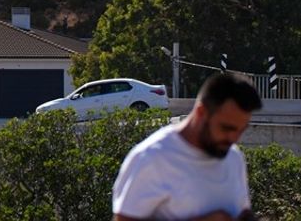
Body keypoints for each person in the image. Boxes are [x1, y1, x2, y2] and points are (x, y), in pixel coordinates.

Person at [112, 72, 263, 220]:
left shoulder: (234, 157)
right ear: (201, 112)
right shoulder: (151, 158)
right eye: (226, 128)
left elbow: (242, 212)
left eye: (241, 130)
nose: (234, 138)